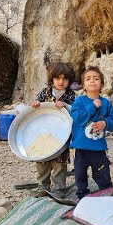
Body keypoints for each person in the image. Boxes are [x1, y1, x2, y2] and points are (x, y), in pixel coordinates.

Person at [69, 66, 113, 200]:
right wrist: (93, 106)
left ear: (101, 84)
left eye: (96, 79)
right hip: (81, 147)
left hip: (98, 147)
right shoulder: (79, 101)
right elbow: (78, 118)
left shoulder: (106, 103)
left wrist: (105, 123)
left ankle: (106, 190)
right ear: (83, 85)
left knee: (102, 171)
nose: (92, 81)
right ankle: (82, 194)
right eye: (88, 79)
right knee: (80, 173)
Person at [28, 62, 77, 195]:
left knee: (59, 163)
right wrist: (36, 104)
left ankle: (59, 189)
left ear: (69, 80)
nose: (61, 81)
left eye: (65, 79)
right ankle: (43, 186)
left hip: (62, 134)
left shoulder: (71, 95)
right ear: (52, 79)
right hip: (44, 132)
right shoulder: (45, 93)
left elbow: (75, 111)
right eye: (57, 78)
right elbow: (35, 108)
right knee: (41, 160)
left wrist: (65, 105)